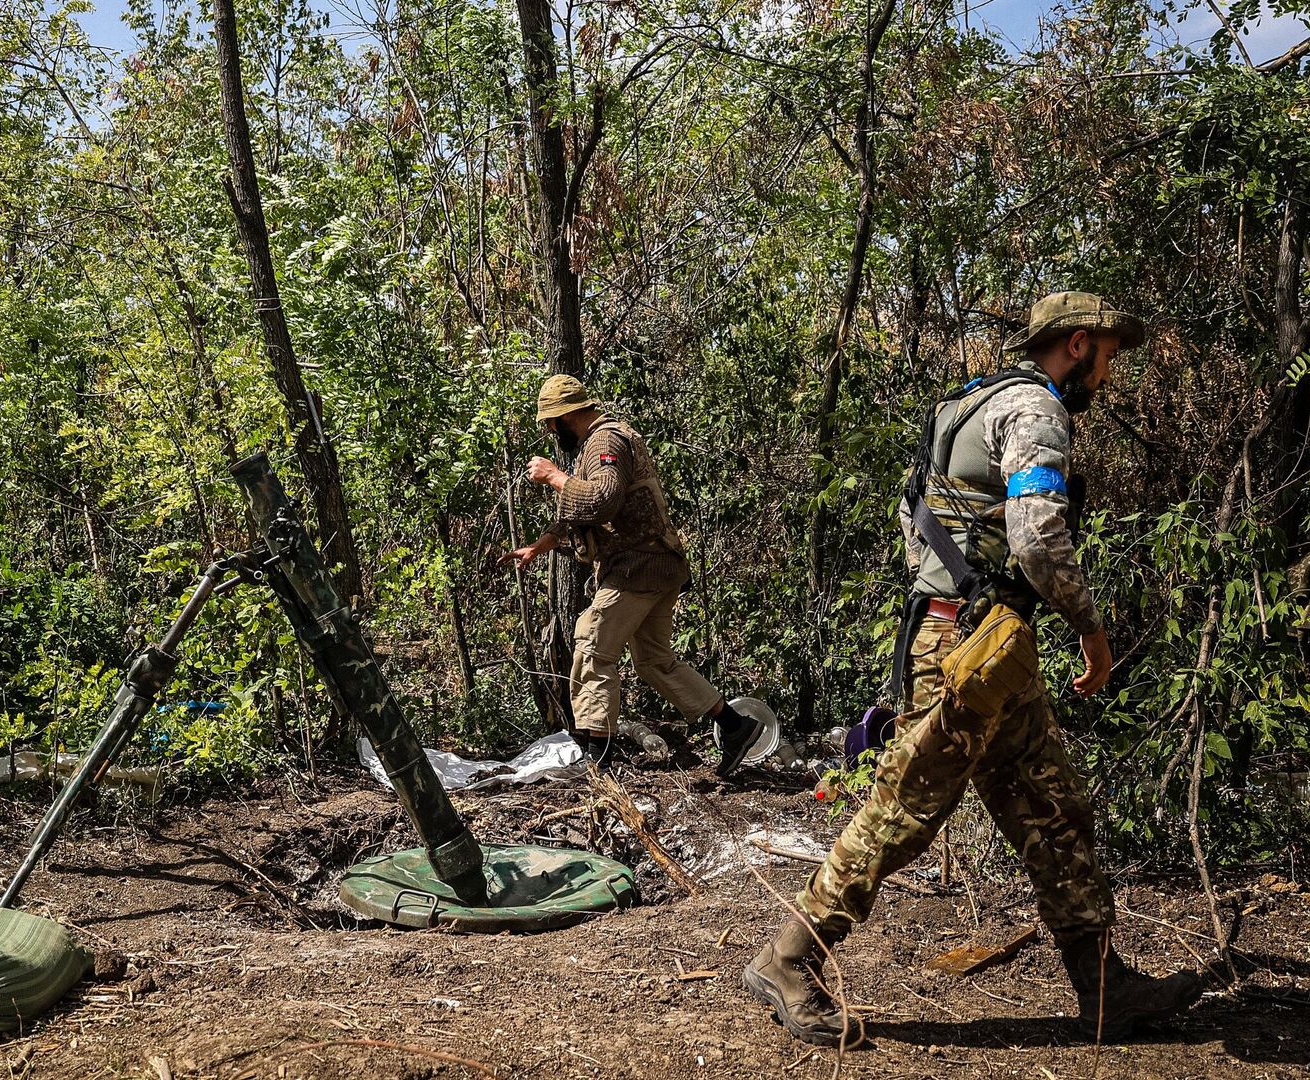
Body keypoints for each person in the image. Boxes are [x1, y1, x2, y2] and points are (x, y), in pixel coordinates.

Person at [739, 292, 1204, 1046]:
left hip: (977, 643)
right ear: (1079, 345)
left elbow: (916, 519)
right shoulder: (1036, 411)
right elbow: (1037, 535)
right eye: (1110, 358)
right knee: (904, 812)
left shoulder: (965, 405)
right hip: (970, 648)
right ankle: (787, 957)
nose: (1110, 376)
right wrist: (1092, 630)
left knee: (1054, 807)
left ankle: (1103, 986)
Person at [504, 375, 767, 772]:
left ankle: (597, 761)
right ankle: (734, 726)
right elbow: (590, 511)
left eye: (549, 424)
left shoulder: (605, 441)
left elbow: (603, 500)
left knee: (592, 647)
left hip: (637, 568)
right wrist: (542, 544)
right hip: (659, 565)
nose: (549, 432)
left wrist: (556, 477)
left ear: (563, 417)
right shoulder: (601, 441)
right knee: (655, 660)